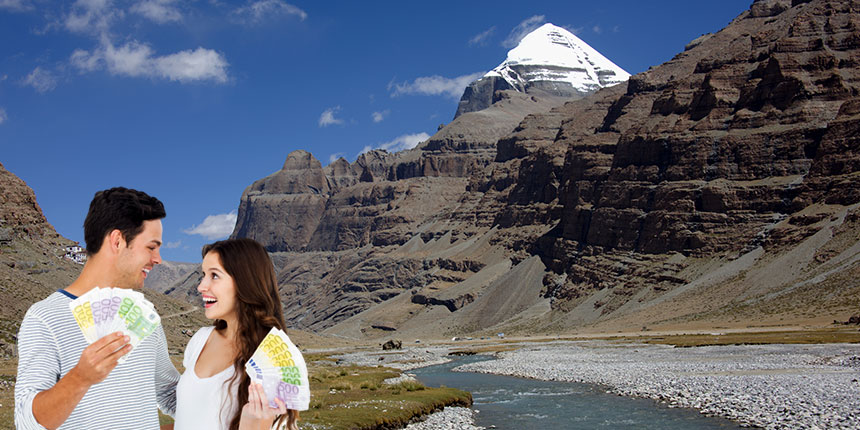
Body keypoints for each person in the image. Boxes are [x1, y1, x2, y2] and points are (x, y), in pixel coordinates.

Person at [14, 187, 179, 429]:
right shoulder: (45, 318)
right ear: (117, 241)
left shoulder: (147, 317)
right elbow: (26, 422)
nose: (158, 259)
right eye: (151, 247)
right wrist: (80, 378)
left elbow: (168, 393)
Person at [173, 238, 299, 430]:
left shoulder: (275, 361)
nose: (201, 286)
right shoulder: (200, 339)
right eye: (203, 275)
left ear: (244, 282)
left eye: (214, 276)